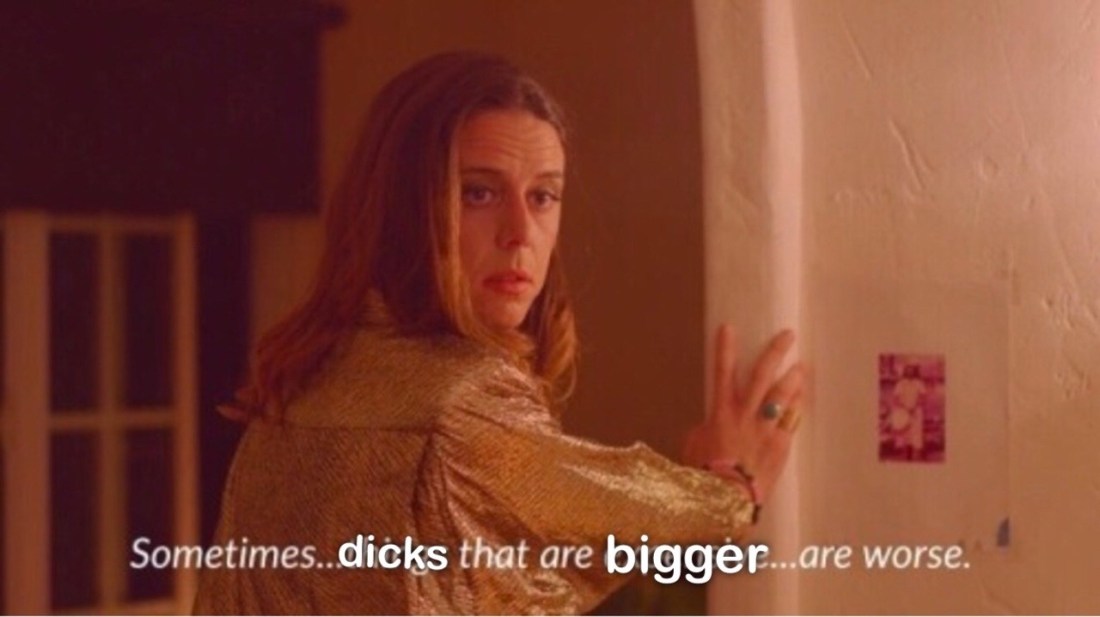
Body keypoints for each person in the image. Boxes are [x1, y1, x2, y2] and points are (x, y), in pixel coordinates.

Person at [192, 51, 805, 615]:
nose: (520, 232)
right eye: (479, 193)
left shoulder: (300, 379)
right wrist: (731, 486)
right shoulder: (464, 403)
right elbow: (647, 521)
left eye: (543, 196)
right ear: (402, 206)